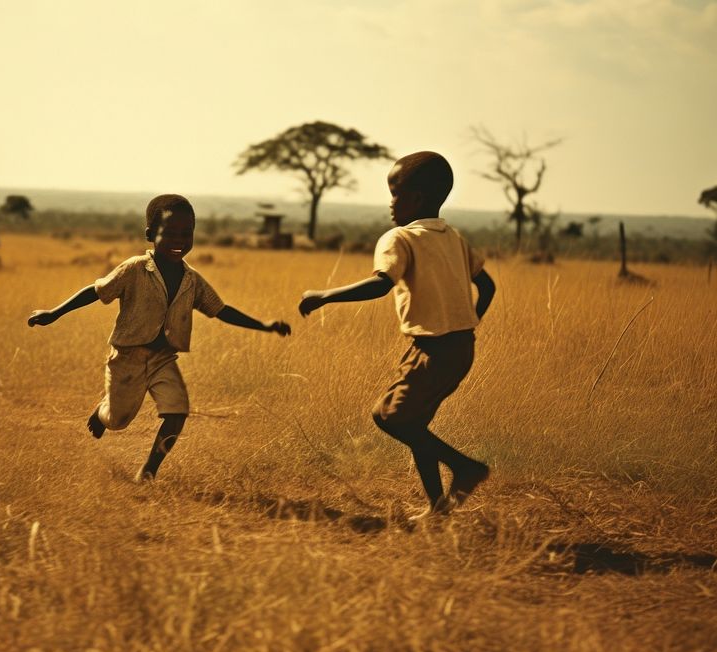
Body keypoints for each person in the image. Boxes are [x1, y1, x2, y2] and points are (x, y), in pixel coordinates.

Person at [29, 194, 291, 481]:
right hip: (128, 359)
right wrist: (54, 313)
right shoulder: (135, 269)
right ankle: (102, 410)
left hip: (163, 359)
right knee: (118, 421)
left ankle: (149, 470)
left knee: (177, 411)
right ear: (151, 234)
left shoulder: (193, 280)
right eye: (170, 232)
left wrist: (264, 325)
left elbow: (220, 310)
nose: (179, 239)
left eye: (186, 232)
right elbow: (96, 290)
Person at [297, 151, 496, 518]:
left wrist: (324, 296)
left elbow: (380, 284)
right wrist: (470, 322)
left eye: (395, 193)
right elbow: (488, 287)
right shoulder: (454, 238)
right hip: (459, 347)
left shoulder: (399, 238)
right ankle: (438, 507)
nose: (391, 203)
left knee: (389, 417)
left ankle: (466, 468)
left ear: (416, 199)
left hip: (434, 349)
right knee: (415, 424)